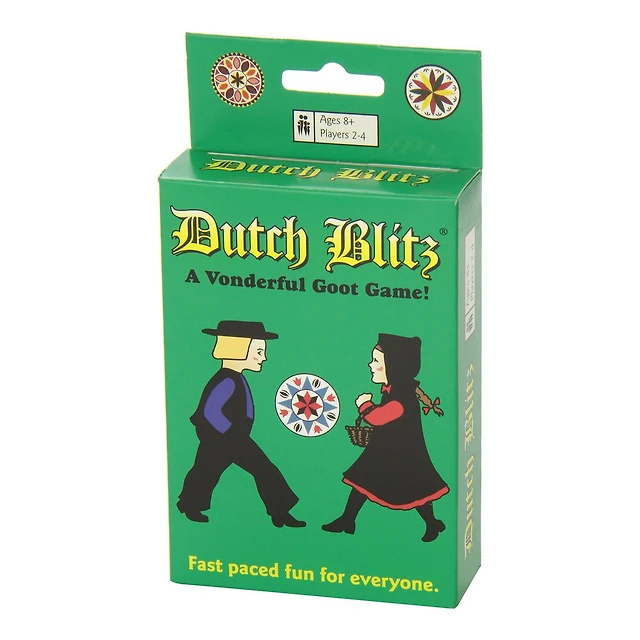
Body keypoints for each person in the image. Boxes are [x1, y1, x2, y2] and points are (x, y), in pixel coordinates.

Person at [177, 320, 305, 528]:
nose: (263, 357)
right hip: (225, 439)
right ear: (239, 349)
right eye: (259, 351)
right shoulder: (227, 379)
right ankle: (279, 513)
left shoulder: (234, 378)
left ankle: (280, 513)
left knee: (210, 471)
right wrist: (230, 434)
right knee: (215, 471)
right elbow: (210, 411)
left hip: (231, 438)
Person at [322, 333, 448, 542]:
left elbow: (379, 417)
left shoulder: (401, 397)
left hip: (402, 455)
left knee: (416, 489)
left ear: (393, 365)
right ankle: (347, 519)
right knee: (361, 480)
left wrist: (364, 404)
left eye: (376, 361)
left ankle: (431, 523)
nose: (371, 365)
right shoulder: (395, 389)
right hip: (383, 450)